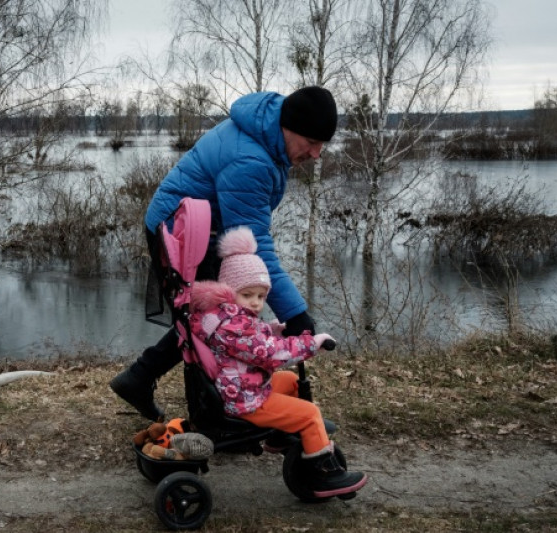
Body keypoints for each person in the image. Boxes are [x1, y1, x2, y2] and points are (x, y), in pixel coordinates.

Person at [110, 86, 338, 421]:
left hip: (198, 226)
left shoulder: (269, 133)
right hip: (180, 232)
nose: (316, 154)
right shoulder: (251, 159)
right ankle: (214, 419)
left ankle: (142, 380)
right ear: (289, 127)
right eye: (311, 142)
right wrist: (294, 313)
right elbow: (254, 246)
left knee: (207, 322)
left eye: (322, 145)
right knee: (209, 324)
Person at [189, 226, 367, 497]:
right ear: (229, 292)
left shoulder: (223, 317)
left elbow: (248, 342)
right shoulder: (234, 326)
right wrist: (312, 343)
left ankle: (279, 436)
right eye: (247, 295)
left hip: (238, 385)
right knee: (309, 415)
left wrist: (271, 330)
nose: (256, 303)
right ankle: (323, 475)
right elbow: (269, 354)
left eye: (261, 296)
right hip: (245, 399)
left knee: (291, 382)